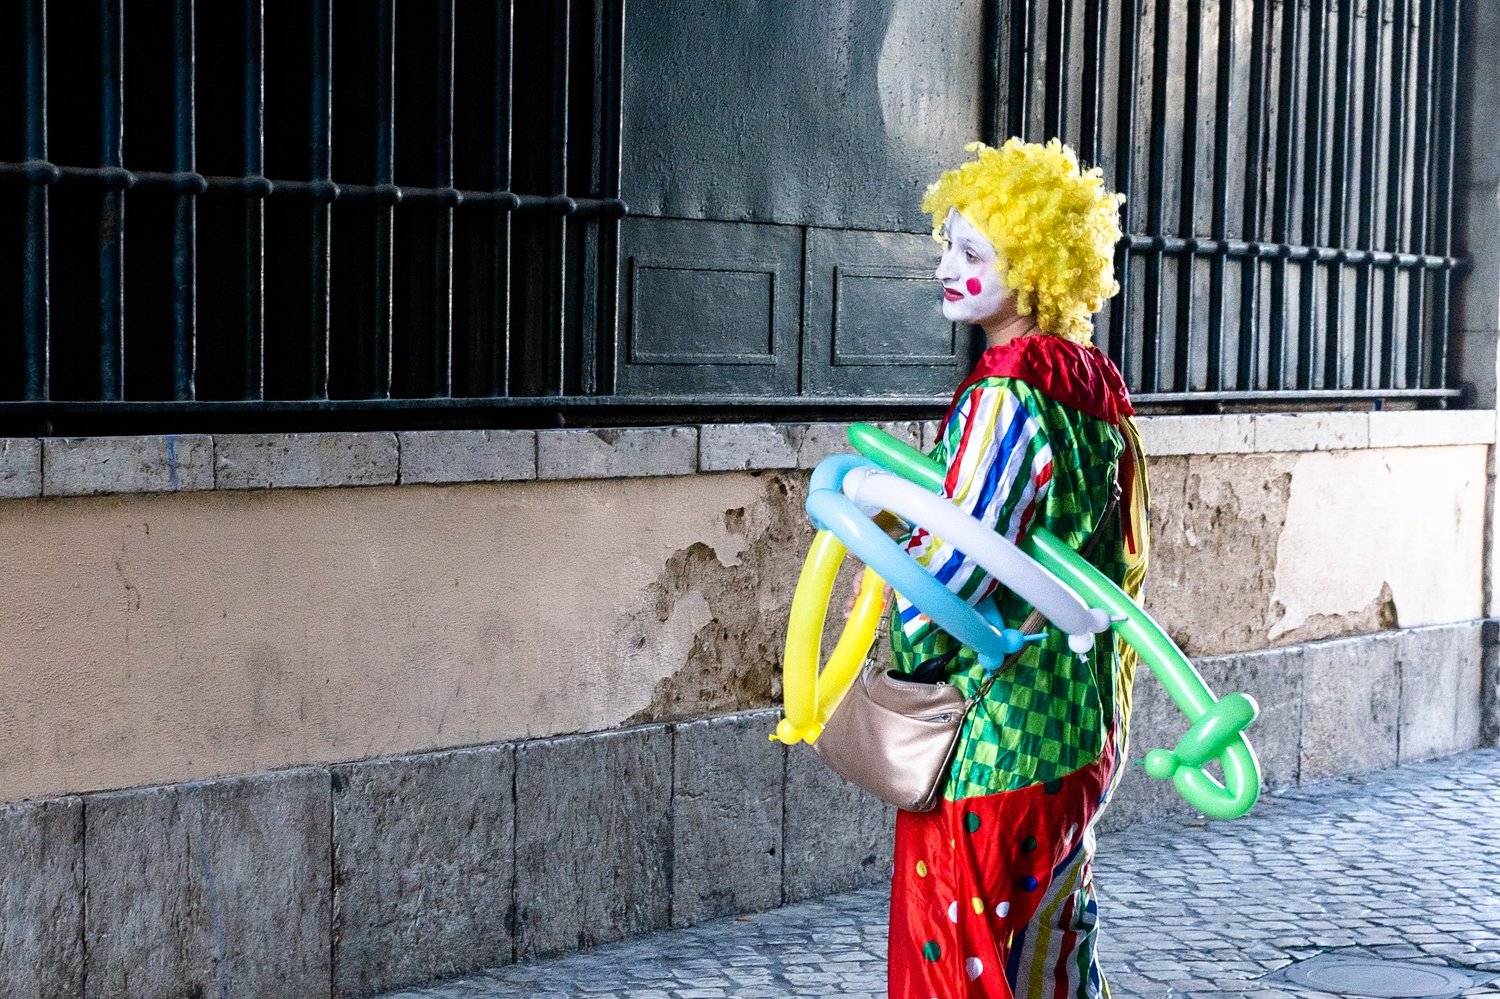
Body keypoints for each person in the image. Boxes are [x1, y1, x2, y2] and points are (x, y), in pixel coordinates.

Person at [884, 138, 1151, 999]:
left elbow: (951, 572)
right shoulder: (1095, 394)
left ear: (1034, 268)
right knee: (1052, 963)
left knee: (956, 964)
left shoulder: (1009, 392)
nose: (945, 268)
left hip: (1002, 738)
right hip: (1082, 724)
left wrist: (900, 636)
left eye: (972, 253)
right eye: (948, 245)